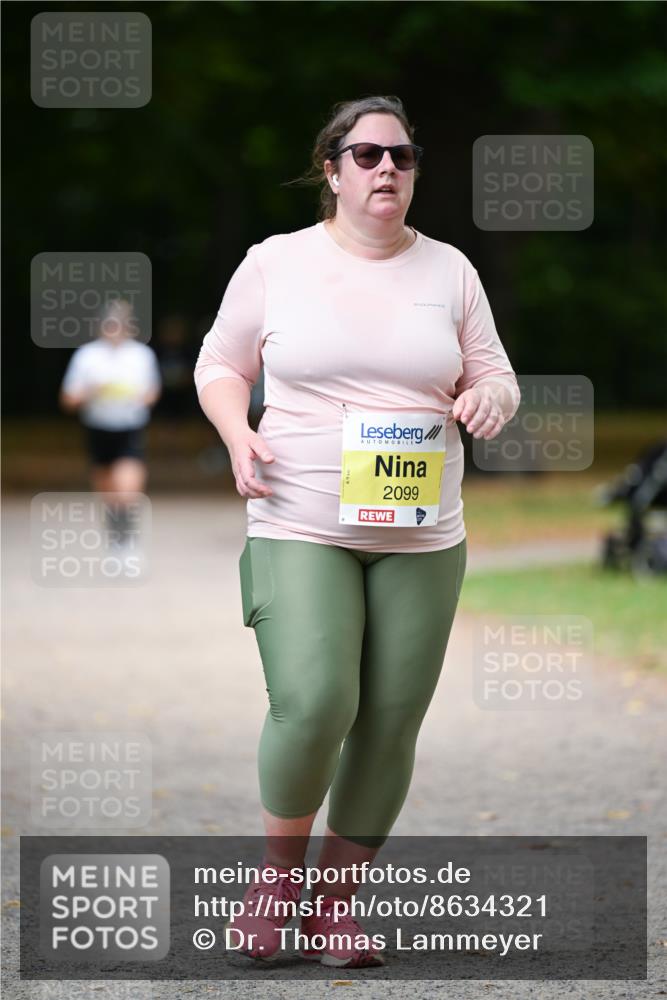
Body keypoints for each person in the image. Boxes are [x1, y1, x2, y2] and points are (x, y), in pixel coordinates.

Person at [194, 95, 520, 969]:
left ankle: (335, 906)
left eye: (402, 157)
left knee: (387, 722)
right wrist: (238, 432)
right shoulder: (277, 263)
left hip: (422, 532)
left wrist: (489, 397)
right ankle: (275, 883)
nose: (387, 170)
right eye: (368, 155)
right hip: (299, 517)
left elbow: (494, 374)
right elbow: (222, 364)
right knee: (313, 700)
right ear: (331, 169)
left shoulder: (449, 270)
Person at [59, 298, 161, 547]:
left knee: (127, 490)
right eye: (110, 324)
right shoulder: (86, 356)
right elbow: (68, 399)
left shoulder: (141, 355)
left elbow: (152, 392)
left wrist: (135, 396)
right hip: (98, 429)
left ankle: (127, 538)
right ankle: (116, 536)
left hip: (129, 428)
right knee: (108, 492)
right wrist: (93, 392)